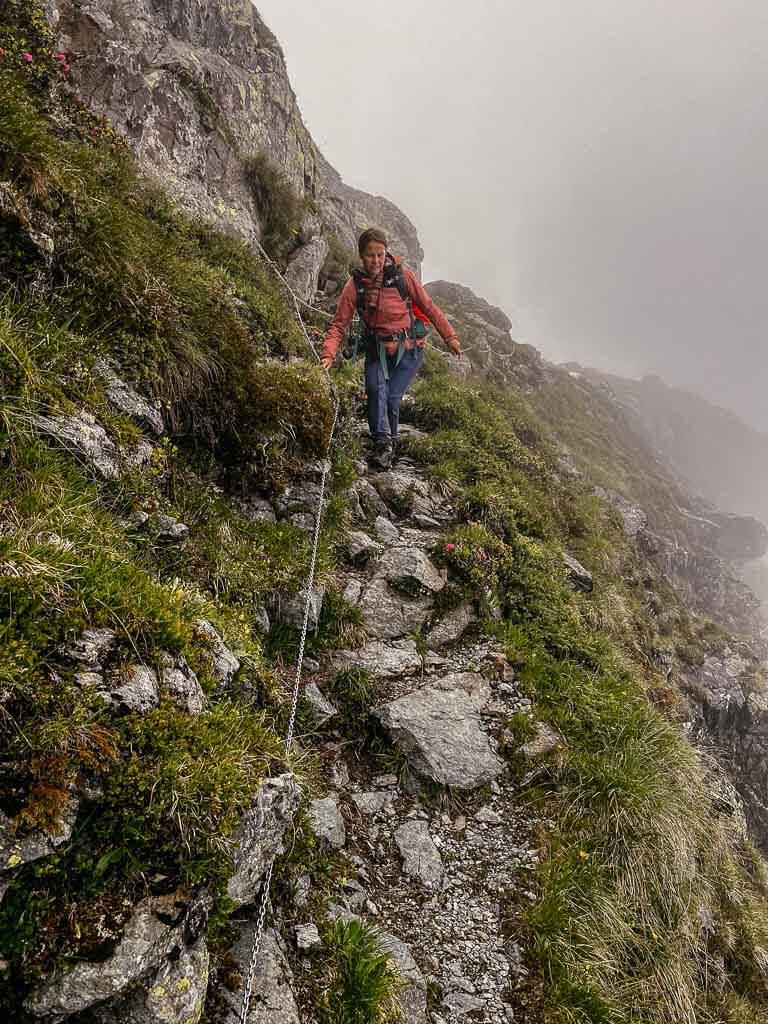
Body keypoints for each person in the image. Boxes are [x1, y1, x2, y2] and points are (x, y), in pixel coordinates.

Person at [320, 227, 462, 469]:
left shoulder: (403, 278)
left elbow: (428, 307)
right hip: (378, 349)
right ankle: (383, 442)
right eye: (369, 255)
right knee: (375, 390)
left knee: (392, 398)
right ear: (361, 255)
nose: (375, 260)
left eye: (379, 254)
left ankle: (389, 442)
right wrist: (328, 354)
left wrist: (450, 337)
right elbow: (338, 324)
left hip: (409, 350)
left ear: (386, 253)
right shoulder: (354, 287)